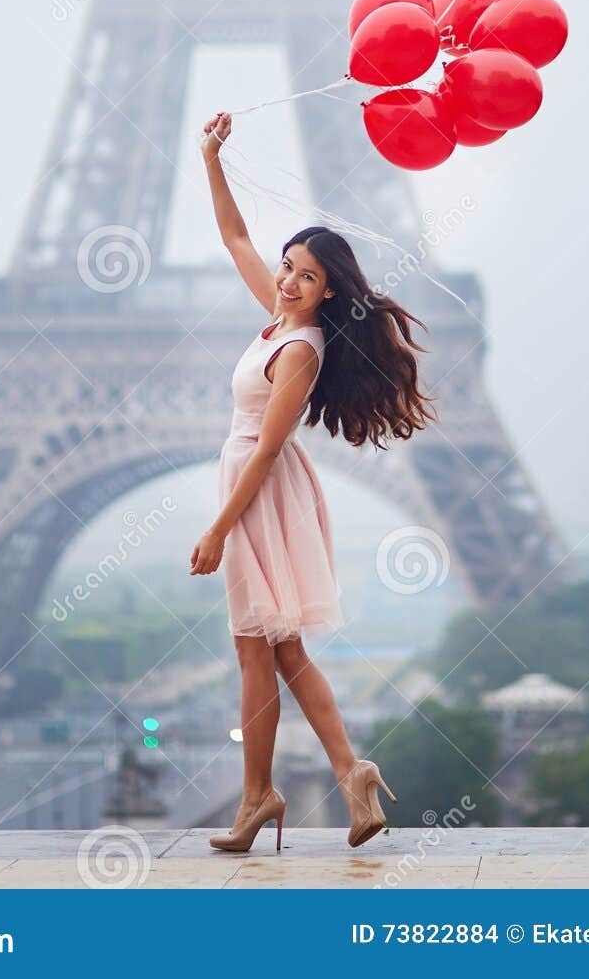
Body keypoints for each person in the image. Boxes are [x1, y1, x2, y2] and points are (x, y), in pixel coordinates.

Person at [191, 110, 437, 853]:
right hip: (255, 486)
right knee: (281, 651)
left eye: (307, 275)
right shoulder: (275, 317)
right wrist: (211, 160)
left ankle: (261, 794)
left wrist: (216, 528)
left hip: (258, 493)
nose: (290, 280)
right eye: (289, 266)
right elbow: (236, 238)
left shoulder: (299, 348)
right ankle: (344, 774)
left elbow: (266, 453)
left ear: (330, 292)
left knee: (255, 647)